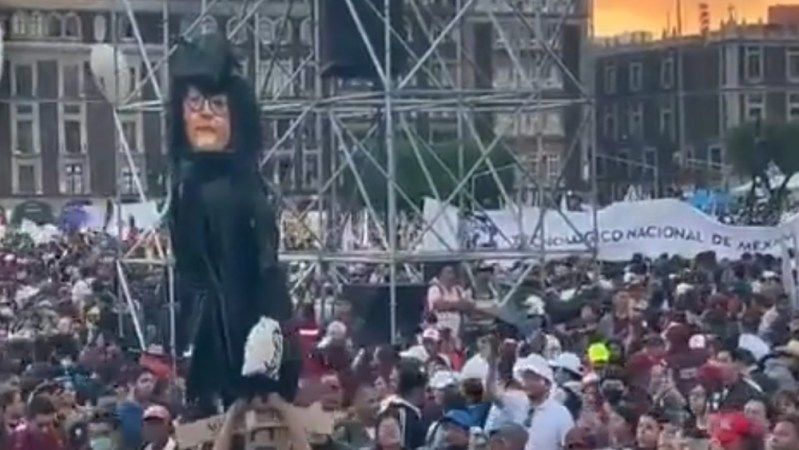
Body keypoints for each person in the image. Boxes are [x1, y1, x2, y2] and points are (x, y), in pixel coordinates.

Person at [168, 31, 300, 411]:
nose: (205, 114)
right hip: (209, 324)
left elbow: (265, 261)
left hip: (246, 314)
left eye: (217, 105)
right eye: (195, 104)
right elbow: (188, 263)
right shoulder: (185, 188)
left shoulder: (246, 188)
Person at [513, 353, 574, 450]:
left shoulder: (560, 414)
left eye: (533, 378)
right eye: (525, 377)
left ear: (547, 384)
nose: (527, 382)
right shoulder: (516, 407)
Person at [117, 367, 157, 450]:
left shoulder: (155, 411)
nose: (149, 385)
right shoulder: (120, 412)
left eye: (152, 381)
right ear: (131, 384)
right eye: (144, 381)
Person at [334, 382, 379, 448]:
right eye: (371, 401)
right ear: (356, 404)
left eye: (378, 400)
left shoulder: (383, 427)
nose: (377, 405)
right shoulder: (347, 429)